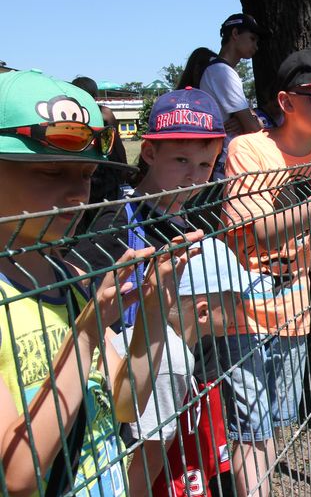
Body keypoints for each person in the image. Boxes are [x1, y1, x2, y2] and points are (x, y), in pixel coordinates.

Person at [0, 69, 200, 496]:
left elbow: (127, 402)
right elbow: (18, 471)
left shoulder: (68, 280)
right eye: (52, 174)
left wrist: (151, 306)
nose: (78, 194)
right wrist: (88, 332)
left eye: (87, 174)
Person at [67, 87, 231, 494]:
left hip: (161, 369)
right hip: (122, 367)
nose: (194, 175)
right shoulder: (117, 220)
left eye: (205, 164)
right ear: (150, 153)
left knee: (157, 446)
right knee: (138, 454)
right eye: (180, 160)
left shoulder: (186, 216)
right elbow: (79, 297)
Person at [222, 48, 311, 494]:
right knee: (251, 431)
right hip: (245, 308)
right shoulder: (248, 149)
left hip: (293, 308)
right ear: (286, 103)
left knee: (273, 424)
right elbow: (262, 230)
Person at [111, 237, 250, 496]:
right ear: (203, 312)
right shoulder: (173, 359)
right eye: (235, 299)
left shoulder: (167, 343)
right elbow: (147, 460)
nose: (242, 306)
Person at [200, 13, 265, 179]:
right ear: (235, 34)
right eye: (252, 39)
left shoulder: (221, 70)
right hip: (223, 163)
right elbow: (253, 127)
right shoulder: (222, 71)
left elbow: (247, 118)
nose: (256, 47)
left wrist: (244, 119)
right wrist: (248, 120)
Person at [71, 76, 130, 205]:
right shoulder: (104, 113)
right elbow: (117, 145)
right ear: (95, 94)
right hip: (104, 171)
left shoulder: (70, 115)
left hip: (81, 171)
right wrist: (124, 168)